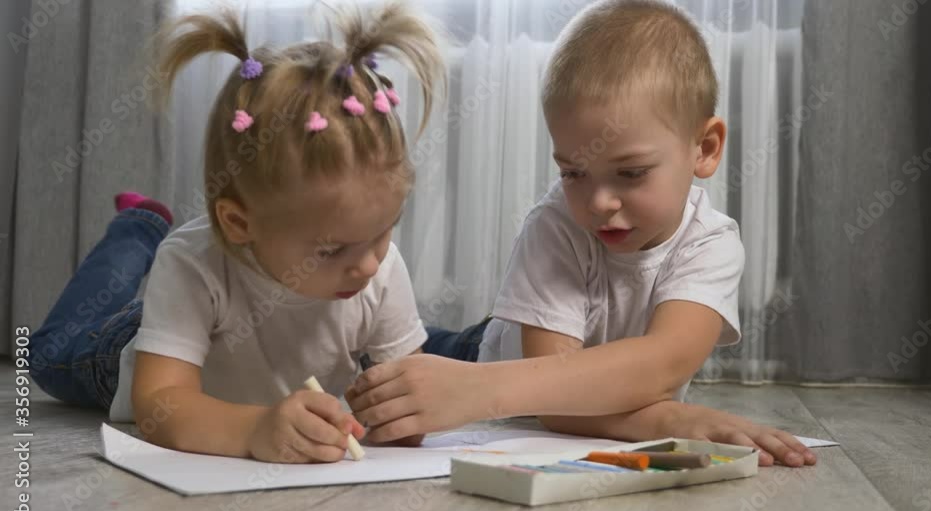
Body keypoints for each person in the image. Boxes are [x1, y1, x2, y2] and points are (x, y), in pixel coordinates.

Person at [346, 0, 816, 467]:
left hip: (508, 390)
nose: (598, 203)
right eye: (573, 173)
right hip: (476, 360)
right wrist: (671, 420)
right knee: (387, 360)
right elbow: (554, 408)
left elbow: (662, 364)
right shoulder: (556, 225)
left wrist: (669, 420)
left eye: (630, 173)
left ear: (705, 149)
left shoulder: (712, 243)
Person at [28, 1, 445, 463]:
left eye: (383, 231)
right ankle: (138, 226)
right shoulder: (192, 264)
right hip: (136, 350)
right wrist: (253, 430)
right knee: (46, 356)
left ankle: (142, 225)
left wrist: (402, 415)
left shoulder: (377, 265)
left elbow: (411, 399)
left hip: (228, 357)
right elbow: (160, 407)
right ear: (239, 224)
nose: (369, 263)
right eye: (331, 249)